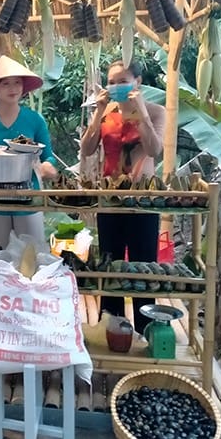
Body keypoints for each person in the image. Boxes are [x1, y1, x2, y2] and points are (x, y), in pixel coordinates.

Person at [80, 59, 165, 334]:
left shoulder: (156, 111)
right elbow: (87, 149)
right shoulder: (107, 113)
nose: (116, 86)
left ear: (137, 82)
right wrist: (98, 112)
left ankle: (146, 330)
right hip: (110, 198)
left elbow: (154, 150)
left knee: (143, 266)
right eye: (111, 82)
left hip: (143, 200)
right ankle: (111, 328)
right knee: (110, 265)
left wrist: (140, 112)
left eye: (122, 81)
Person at [0, 55, 58, 250]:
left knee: (31, 257)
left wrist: (47, 166)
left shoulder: (35, 120)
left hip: (29, 199)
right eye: (5, 83)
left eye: (17, 83)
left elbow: (48, 156)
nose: (13, 88)